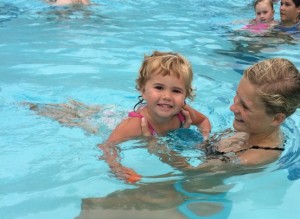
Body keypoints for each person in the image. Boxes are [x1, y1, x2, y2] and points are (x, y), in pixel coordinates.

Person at [142, 57, 300, 169]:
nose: (233, 107)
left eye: (245, 106)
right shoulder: (255, 129)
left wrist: (156, 146)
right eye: (237, 95)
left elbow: (192, 174)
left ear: (277, 118)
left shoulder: (252, 158)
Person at [99, 51, 212, 183]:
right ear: (143, 91)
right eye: (159, 87)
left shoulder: (183, 113)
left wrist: (204, 139)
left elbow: (204, 120)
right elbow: (107, 146)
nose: (167, 96)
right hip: (110, 121)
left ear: (185, 95)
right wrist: (118, 168)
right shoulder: (135, 124)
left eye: (176, 91)